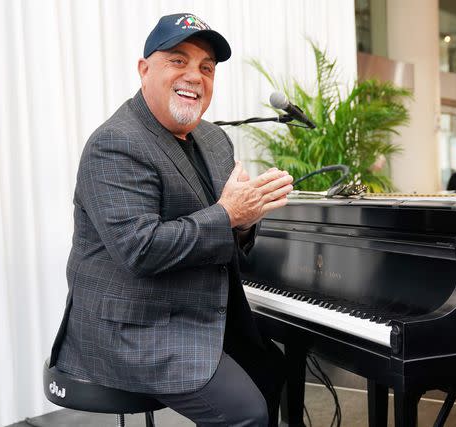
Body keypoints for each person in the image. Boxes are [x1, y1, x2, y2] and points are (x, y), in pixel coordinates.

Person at [49, 13, 294, 427]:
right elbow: (140, 250)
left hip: (201, 310)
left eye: (206, 68)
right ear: (145, 70)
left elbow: (229, 225)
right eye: (178, 61)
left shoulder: (214, 140)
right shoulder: (115, 143)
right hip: (135, 326)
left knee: (272, 373)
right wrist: (230, 213)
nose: (195, 76)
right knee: (245, 414)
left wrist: (246, 219)